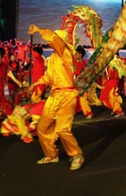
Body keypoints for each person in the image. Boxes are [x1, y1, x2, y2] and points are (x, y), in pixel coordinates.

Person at [27, 25, 84, 171]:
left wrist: (39, 30)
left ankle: (77, 155)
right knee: (42, 127)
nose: (53, 40)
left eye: (57, 38)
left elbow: (53, 39)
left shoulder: (64, 52)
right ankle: (51, 155)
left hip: (66, 95)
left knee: (62, 129)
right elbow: (49, 76)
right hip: (54, 95)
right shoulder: (53, 57)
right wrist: (36, 84)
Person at [73, 45, 94, 119]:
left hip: (81, 84)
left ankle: (88, 112)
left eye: (77, 54)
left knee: (82, 98)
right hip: (77, 84)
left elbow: (77, 73)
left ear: (80, 55)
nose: (75, 55)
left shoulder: (82, 64)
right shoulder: (76, 62)